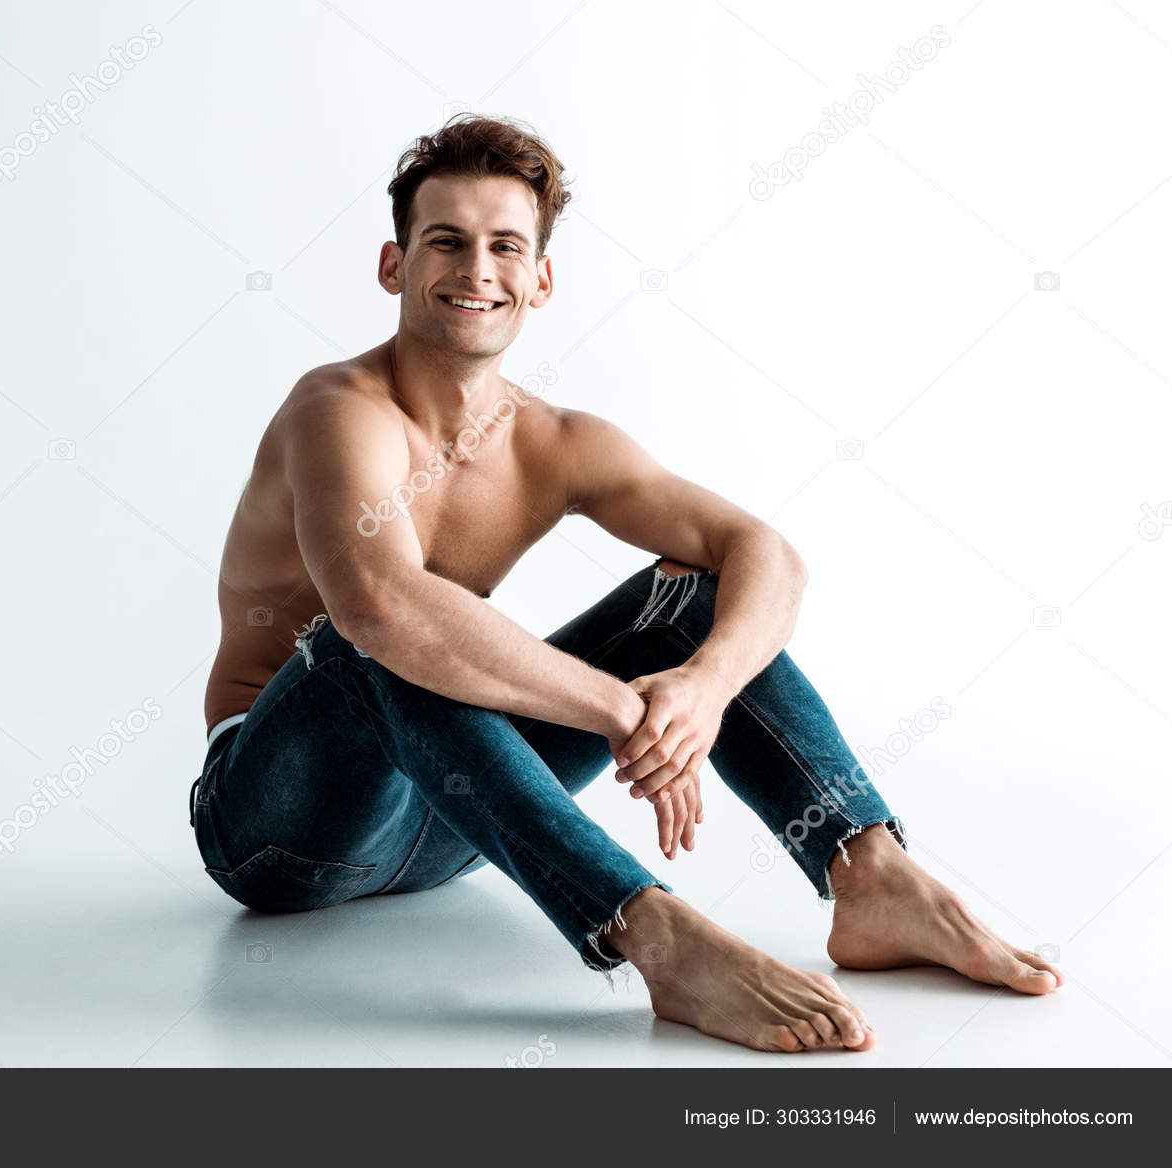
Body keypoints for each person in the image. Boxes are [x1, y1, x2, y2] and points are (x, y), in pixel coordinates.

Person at [191, 113, 1062, 1053]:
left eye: (504, 247)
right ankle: (655, 935)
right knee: (369, 638)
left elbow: (765, 553)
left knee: (691, 603)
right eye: (444, 241)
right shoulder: (338, 411)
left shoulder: (557, 441)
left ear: (541, 279)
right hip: (280, 831)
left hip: (451, 823)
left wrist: (701, 688)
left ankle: (872, 877)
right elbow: (380, 606)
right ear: (393, 266)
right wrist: (619, 709)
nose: (476, 269)